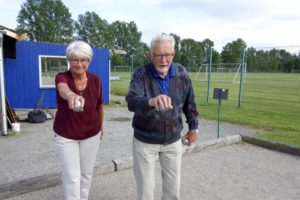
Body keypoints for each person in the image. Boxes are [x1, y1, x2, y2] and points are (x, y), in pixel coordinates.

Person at [126, 33, 199, 200]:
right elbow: (131, 101)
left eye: (167, 55)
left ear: (173, 54)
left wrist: (194, 127)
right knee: (146, 191)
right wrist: (151, 101)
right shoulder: (141, 73)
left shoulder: (181, 72)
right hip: (145, 140)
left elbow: (190, 102)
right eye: (158, 55)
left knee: (173, 190)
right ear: (150, 54)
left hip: (173, 140)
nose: (163, 60)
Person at [53, 41, 103, 200]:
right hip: (66, 135)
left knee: (86, 174)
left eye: (83, 59)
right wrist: (71, 96)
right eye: (74, 59)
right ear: (69, 60)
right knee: (72, 177)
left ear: (89, 61)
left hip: (91, 134)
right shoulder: (62, 77)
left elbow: (99, 106)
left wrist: (101, 127)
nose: (79, 64)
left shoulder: (95, 80)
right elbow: (63, 89)